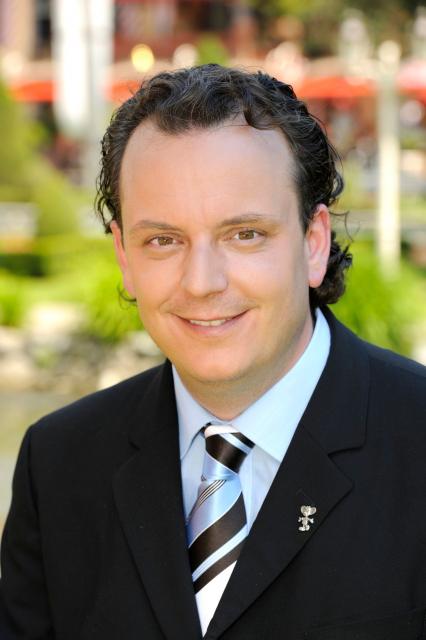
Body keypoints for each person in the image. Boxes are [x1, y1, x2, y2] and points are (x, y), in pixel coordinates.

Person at [1, 64, 425, 640]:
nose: (202, 282)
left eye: (244, 234)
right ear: (125, 257)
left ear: (314, 242)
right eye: (164, 240)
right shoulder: (58, 467)